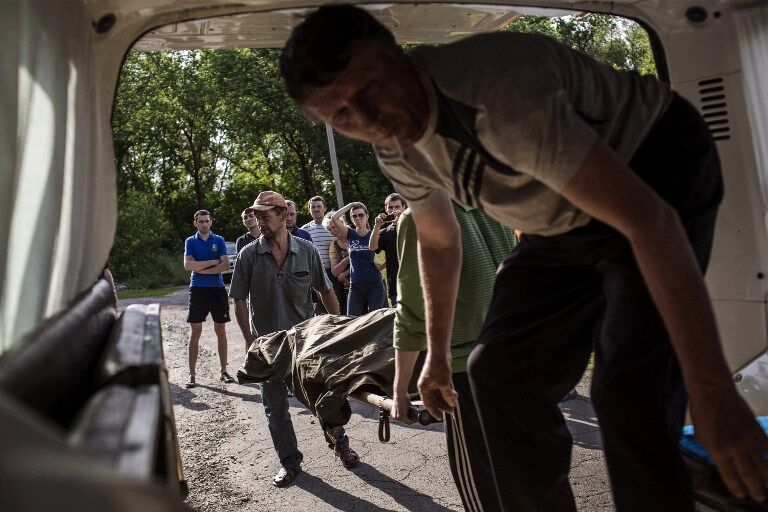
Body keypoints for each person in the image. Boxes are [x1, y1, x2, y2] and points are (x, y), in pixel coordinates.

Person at [280, 5, 768, 510]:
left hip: (651, 169)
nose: (368, 118)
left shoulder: (495, 95)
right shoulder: (396, 148)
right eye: (340, 115)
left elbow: (651, 223)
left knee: (630, 393)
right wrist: (440, 356)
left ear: (397, 56)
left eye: (369, 86)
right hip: (561, 211)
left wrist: (713, 393)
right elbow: (440, 242)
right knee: (497, 375)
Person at [229, 191, 358, 488]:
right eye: (257, 215)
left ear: (283, 215)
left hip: (307, 342)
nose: (259, 220)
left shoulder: (306, 250)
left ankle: (340, 445)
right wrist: (251, 341)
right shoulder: (248, 254)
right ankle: (289, 462)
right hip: (269, 348)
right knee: (275, 408)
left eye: (265, 215)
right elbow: (237, 300)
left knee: (325, 396)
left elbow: (325, 291)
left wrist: (335, 329)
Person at [393, 203, 515, 512]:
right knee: (521, 467)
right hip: (514, 354)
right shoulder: (491, 198)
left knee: (480, 481)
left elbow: (412, 312)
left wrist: (399, 390)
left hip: (463, 370)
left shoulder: (420, 214)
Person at [183, 210, 234, 388]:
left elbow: (226, 265)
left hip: (217, 289)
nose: (204, 224)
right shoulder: (190, 241)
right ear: (195, 223)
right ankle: (192, 375)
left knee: (220, 329)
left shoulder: (219, 240)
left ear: (211, 222)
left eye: (207, 221)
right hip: (197, 289)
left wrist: (201, 268)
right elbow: (188, 265)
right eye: (201, 221)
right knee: (195, 330)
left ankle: (223, 371)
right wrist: (213, 262)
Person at [331, 202, 385, 316]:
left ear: (367, 216)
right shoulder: (349, 233)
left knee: (375, 320)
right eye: (354, 216)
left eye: (361, 215)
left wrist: (381, 266)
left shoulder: (374, 234)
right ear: (351, 218)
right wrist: (350, 205)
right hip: (356, 284)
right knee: (351, 319)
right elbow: (334, 218)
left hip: (374, 284)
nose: (358, 218)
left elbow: (391, 253)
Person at [301, 195, 339, 314]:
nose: (316, 209)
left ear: (325, 208)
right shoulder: (305, 230)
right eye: (313, 207)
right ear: (310, 210)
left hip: (334, 273)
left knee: (337, 307)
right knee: (320, 310)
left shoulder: (334, 226)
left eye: (319, 206)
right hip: (315, 274)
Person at [369, 193, 406, 306]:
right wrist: (377, 226)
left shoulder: (414, 226)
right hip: (395, 284)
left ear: (404, 207)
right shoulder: (385, 232)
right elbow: (372, 247)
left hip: (416, 283)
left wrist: (403, 221)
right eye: (390, 207)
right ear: (386, 209)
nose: (394, 210)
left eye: (397, 207)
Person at [323, 213, 350, 315]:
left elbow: (367, 261)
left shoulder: (356, 236)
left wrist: (345, 272)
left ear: (341, 222)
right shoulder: (333, 245)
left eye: (334, 227)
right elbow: (334, 271)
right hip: (347, 288)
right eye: (329, 229)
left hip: (369, 283)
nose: (333, 231)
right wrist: (349, 258)